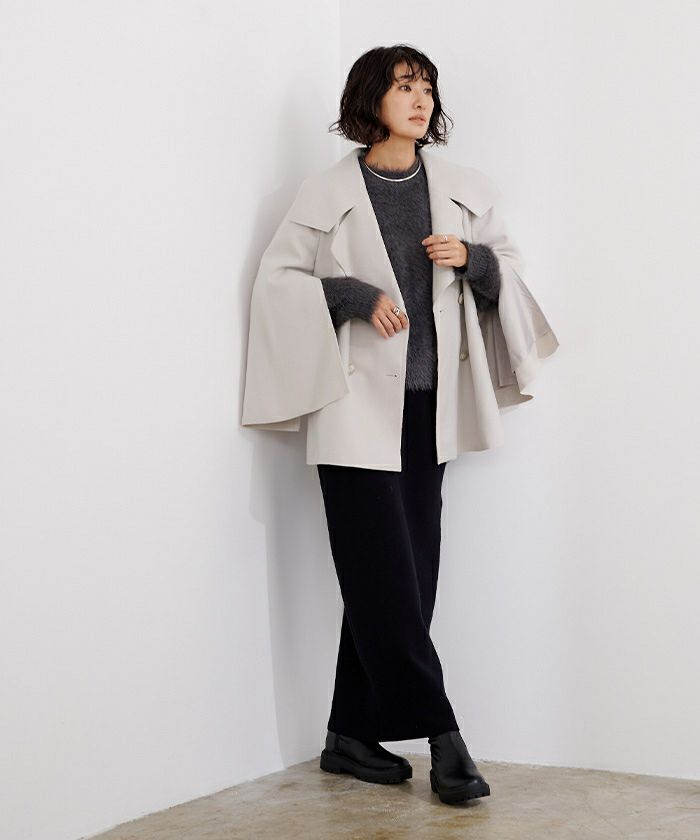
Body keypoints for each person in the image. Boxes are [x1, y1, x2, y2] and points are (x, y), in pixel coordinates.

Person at [315, 45, 500, 806]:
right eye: (402, 87)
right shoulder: (328, 191)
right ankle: (443, 736)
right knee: (385, 576)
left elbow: (508, 274)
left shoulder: (460, 190)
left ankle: (347, 734)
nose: (419, 100)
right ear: (372, 98)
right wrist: (354, 296)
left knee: (406, 578)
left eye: (426, 87)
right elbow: (280, 281)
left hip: (428, 409)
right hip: (355, 407)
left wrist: (473, 259)